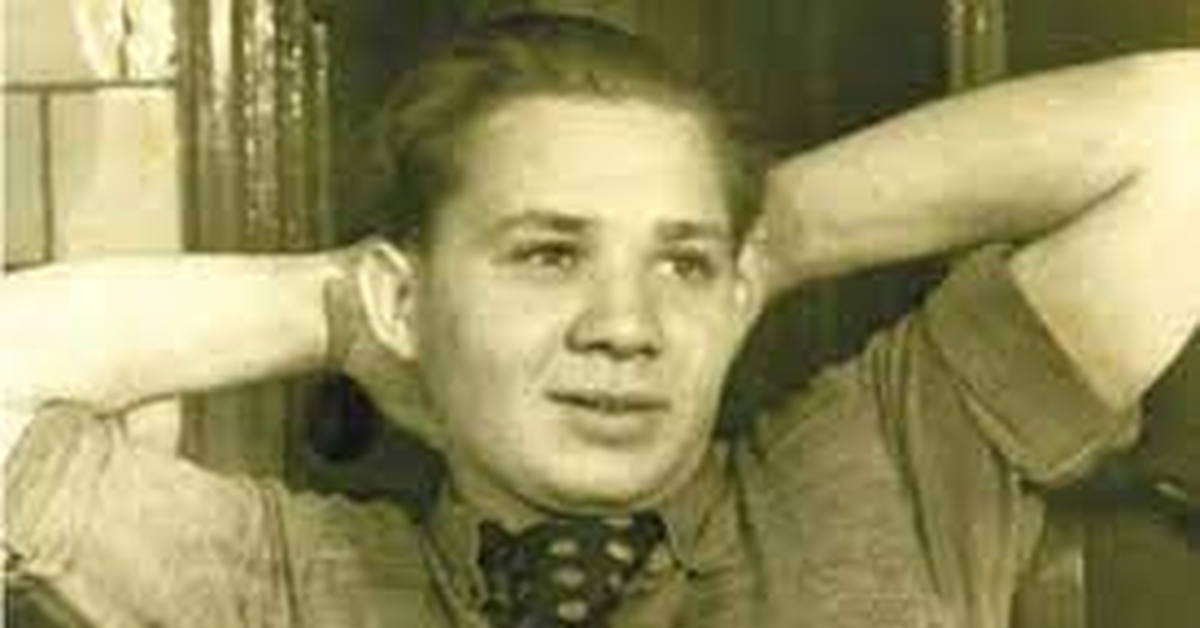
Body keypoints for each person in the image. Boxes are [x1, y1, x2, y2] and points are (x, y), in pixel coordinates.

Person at [2, 12, 1197, 628]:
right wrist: (338, 306)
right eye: (549, 254)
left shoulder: (884, 476)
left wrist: (774, 239)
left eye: (679, 264)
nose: (626, 326)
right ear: (406, 296)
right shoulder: (280, 586)